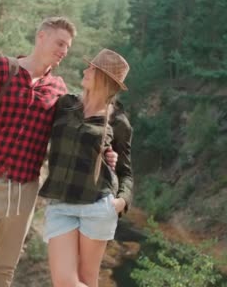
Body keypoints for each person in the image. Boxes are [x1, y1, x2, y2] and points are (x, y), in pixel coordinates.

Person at [0, 17, 116, 287]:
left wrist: (104, 154)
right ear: (41, 37)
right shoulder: (0, 68)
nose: (64, 51)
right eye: (59, 43)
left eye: (68, 47)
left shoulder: (58, 90)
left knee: (4, 269)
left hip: (25, 191)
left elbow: (75, 133)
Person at [38, 48, 133, 287]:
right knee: (64, 281)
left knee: (88, 279)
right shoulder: (65, 104)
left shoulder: (118, 122)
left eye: (92, 69)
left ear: (104, 78)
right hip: (60, 203)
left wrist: (122, 201)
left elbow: (125, 171)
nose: (85, 70)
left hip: (97, 205)